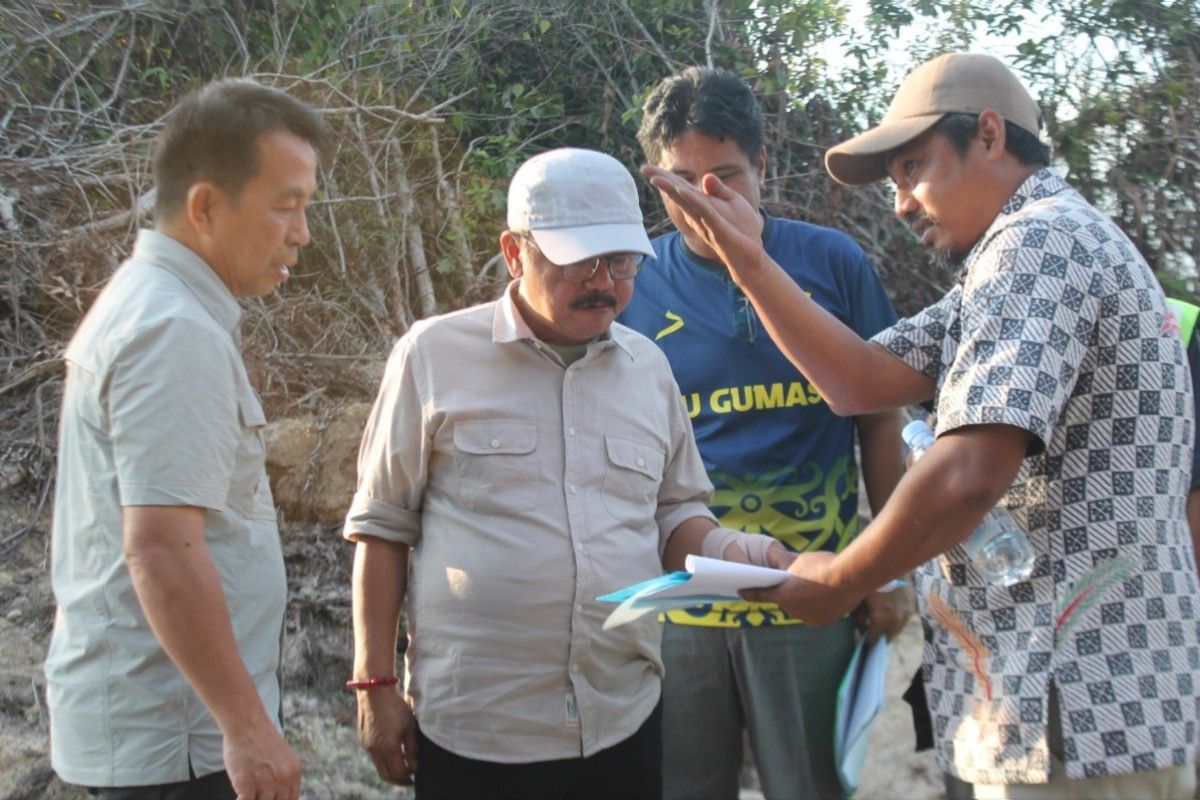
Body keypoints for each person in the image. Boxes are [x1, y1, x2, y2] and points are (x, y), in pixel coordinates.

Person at [644, 52, 1200, 799]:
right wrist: (747, 258)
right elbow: (856, 381)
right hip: (1046, 706)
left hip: (1078, 706)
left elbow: (971, 471)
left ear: (992, 136)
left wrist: (847, 577)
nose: (902, 202)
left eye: (913, 168)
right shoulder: (1007, 266)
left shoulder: (1040, 245)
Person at [343, 147, 792, 800]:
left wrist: (758, 559)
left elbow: (676, 519)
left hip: (622, 722)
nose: (604, 281)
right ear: (514, 252)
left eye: (621, 261)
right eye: (579, 258)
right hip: (478, 733)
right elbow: (382, 527)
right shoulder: (433, 356)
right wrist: (373, 684)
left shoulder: (650, 370)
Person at [618, 66, 911, 800]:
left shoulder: (832, 263)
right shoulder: (634, 284)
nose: (704, 201)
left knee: (812, 786)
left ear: (764, 166)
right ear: (654, 182)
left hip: (810, 593)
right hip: (679, 603)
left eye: (726, 178)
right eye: (681, 181)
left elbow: (881, 422)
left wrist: (888, 570)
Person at [43, 80, 324, 800]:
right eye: (286, 206)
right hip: (178, 746)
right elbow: (163, 545)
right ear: (205, 207)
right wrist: (247, 728)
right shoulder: (172, 330)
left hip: (172, 734)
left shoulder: (157, 306)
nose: (302, 233)